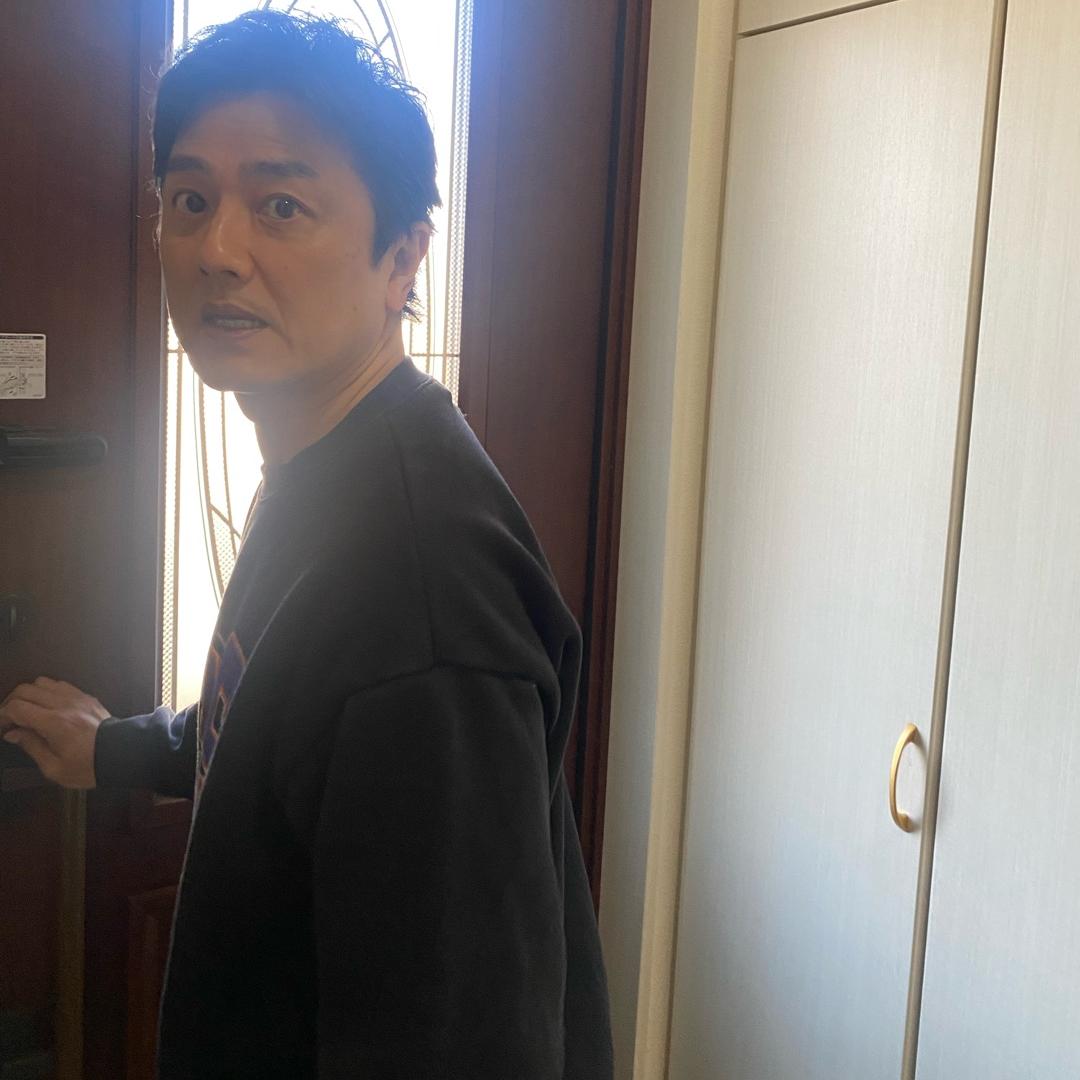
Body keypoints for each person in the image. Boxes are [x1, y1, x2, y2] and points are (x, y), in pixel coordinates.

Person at [0, 12, 612, 1079]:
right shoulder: (334, 464)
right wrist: (122, 749)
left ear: (402, 259)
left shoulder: (423, 597)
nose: (217, 250)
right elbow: (283, 719)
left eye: (282, 205)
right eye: (190, 200)